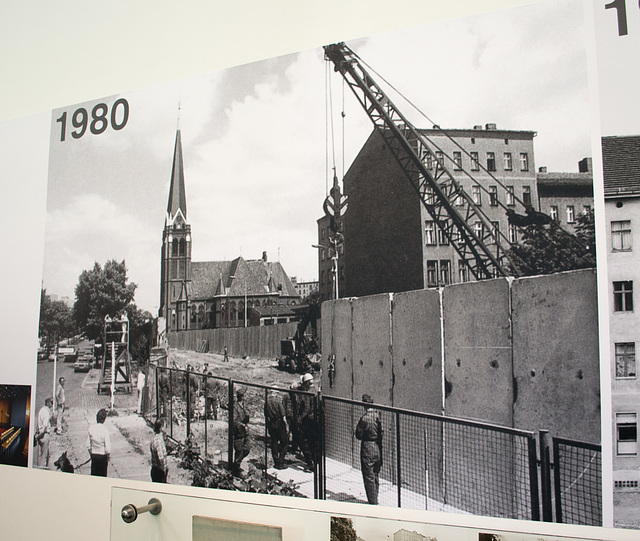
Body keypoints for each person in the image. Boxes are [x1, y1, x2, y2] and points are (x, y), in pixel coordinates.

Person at [355, 394, 383, 505]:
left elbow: (358, 434)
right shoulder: (378, 416)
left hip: (367, 446)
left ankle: (373, 501)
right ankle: (375, 497)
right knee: (375, 474)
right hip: (377, 446)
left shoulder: (365, 419)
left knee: (368, 476)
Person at [296, 373, 317, 472]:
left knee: (303, 440)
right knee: (313, 441)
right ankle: (315, 461)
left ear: (307, 383)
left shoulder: (308, 393)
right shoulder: (316, 391)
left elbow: (307, 408)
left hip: (308, 420)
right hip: (315, 420)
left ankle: (310, 462)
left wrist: (300, 418)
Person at [264, 387, 289, 469]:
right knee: (284, 442)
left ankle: (276, 461)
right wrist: (286, 426)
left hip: (271, 423)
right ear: (275, 393)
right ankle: (281, 461)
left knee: (274, 443)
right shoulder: (278, 401)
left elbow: (265, 413)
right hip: (279, 423)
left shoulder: (267, 401)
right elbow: (283, 415)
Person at [231, 386, 250, 476]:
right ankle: (236, 468)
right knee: (239, 450)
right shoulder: (235, 407)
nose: (245, 397)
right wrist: (242, 425)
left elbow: (247, 416)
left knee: (247, 449)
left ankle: (237, 463)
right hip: (238, 431)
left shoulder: (244, 405)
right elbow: (234, 421)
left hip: (245, 430)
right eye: (243, 396)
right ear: (241, 396)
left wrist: (247, 413)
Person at [87, 408, 111, 476]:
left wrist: (91, 454)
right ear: (104, 419)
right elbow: (107, 448)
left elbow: (88, 445)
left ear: (96, 418)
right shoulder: (105, 430)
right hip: (102, 457)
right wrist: (108, 456)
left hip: (94, 456)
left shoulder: (91, 428)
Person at [36, 397, 53, 468]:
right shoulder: (46, 412)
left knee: (43, 455)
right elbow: (45, 426)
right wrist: (40, 435)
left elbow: (39, 423)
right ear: (48, 403)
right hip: (44, 435)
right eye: (51, 403)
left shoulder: (41, 410)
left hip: (40, 434)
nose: (52, 405)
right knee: (44, 456)